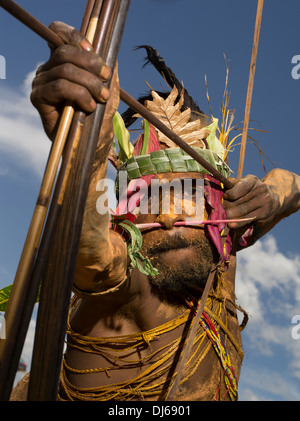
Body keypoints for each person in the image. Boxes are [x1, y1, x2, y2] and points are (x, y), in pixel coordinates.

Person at [12, 22, 300, 401]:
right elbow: (95, 255)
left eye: (187, 192)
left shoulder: (221, 243)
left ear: (218, 203)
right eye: (147, 198)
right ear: (124, 215)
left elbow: (292, 183)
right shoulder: (127, 270)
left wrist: (269, 198)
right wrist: (87, 151)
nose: (166, 217)